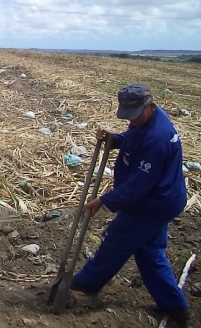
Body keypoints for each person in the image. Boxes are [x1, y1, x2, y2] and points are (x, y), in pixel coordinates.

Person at [71, 83, 198, 327]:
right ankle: (176, 308)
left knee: (117, 241)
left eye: (135, 116)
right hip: (162, 199)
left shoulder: (157, 139)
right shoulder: (148, 120)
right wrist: (115, 140)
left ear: (150, 106)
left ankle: (85, 284)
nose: (132, 120)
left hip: (153, 203)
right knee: (150, 254)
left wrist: (104, 201)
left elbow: (140, 185)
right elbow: (133, 137)